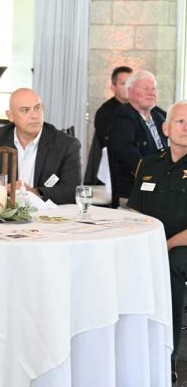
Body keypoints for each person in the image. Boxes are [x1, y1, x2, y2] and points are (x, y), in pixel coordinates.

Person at [128, 100, 187, 384]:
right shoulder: (149, 163)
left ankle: (168, 357)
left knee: (170, 270)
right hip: (149, 244)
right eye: (179, 121)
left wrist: (165, 245)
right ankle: (134, 352)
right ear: (165, 128)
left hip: (180, 247)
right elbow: (135, 211)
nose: (185, 128)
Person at [0, 88, 81, 205]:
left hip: (47, 216)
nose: (34, 116)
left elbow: (72, 191)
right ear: (10, 116)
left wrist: (34, 192)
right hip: (4, 213)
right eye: (25, 110)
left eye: (37, 108)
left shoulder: (66, 144)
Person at [107, 70, 167, 207]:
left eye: (154, 89)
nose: (152, 92)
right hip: (135, 191)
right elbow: (129, 157)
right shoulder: (122, 118)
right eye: (146, 88)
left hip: (161, 185)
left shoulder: (159, 117)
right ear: (130, 91)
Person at [94, 66, 133, 147]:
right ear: (113, 87)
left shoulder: (141, 108)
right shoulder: (105, 113)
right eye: (124, 84)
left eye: (131, 83)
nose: (128, 87)